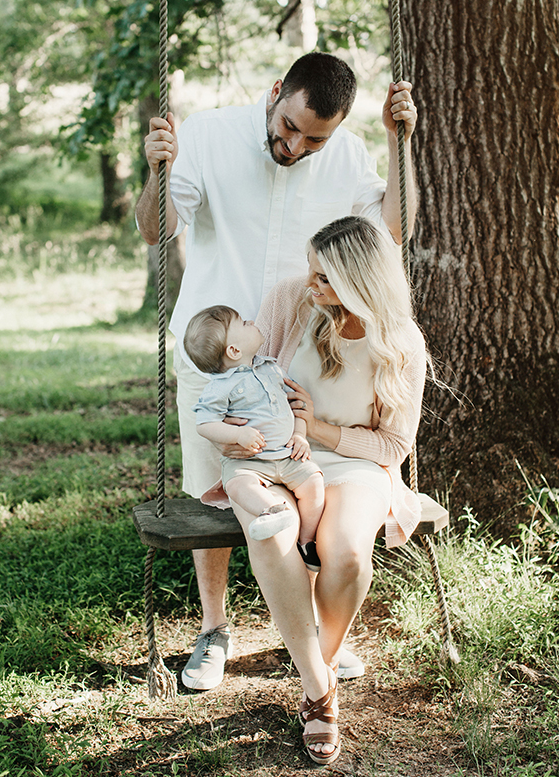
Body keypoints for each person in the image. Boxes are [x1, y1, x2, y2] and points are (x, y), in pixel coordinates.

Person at [136, 51, 418, 692]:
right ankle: (214, 628)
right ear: (274, 94)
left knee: (304, 483)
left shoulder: (345, 156)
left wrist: (401, 146)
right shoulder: (206, 135)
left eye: (314, 138)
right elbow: (156, 229)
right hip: (216, 355)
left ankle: (321, 632)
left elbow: (392, 230)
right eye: (289, 127)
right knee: (211, 492)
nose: (295, 145)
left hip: (298, 354)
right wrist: (158, 171)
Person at [232, 215, 427, 765]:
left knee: (347, 558)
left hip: (354, 463)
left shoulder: (400, 342)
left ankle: (320, 656)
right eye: (312, 271)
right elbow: (244, 374)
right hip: (276, 456)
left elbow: (392, 447)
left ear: (361, 282)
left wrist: (319, 430)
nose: (311, 285)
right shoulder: (292, 301)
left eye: (325, 278)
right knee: (271, 533)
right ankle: (319, 690)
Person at [184, 304, 325, 566]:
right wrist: (237, 435)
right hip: (248, 462)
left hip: (287, 455)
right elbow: (204, 424)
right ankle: (272, 511)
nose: (251, 321)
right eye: (244, 323)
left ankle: (306, 542)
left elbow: (293, 407)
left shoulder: (271, 369)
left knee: (315, 483)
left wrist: (301, 434)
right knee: (237, 485)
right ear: (234, 351)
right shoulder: (220, 387)